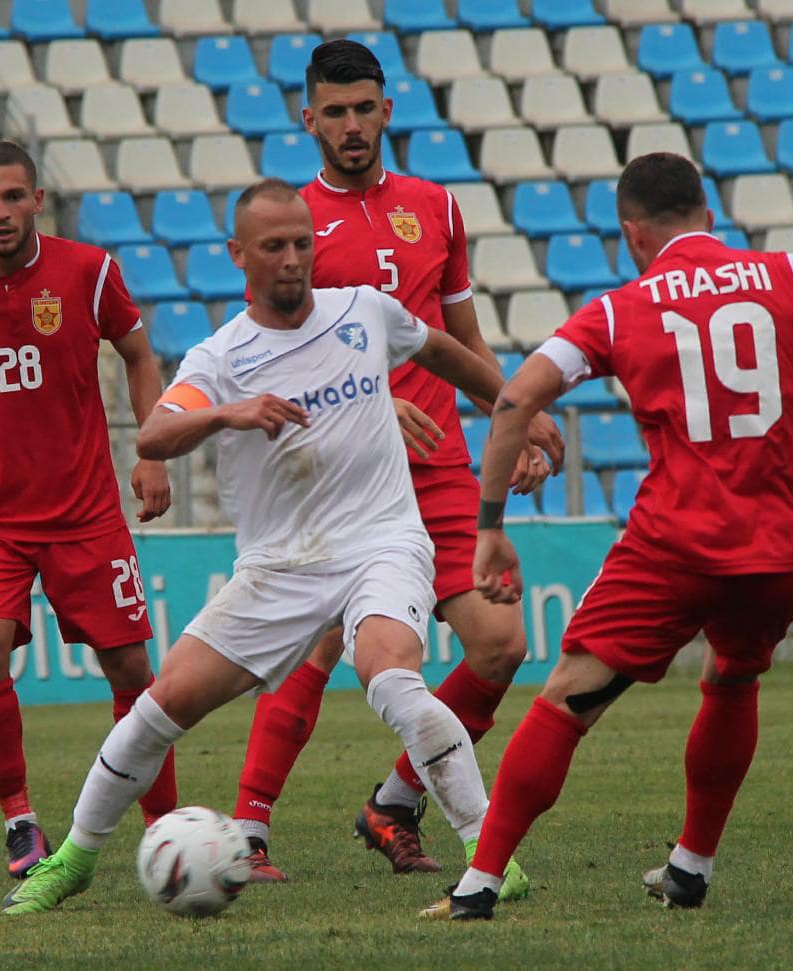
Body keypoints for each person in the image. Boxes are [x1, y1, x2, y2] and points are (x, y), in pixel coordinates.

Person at [421, 152, 793, 920]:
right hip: (779, 546)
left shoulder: (618, 308)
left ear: (633, 232)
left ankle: (479, 883)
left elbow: (515, 400)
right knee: (733, 677)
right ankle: (690, 866)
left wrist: (491, 527)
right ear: (709, 212)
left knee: (567, 698)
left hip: (675, 546)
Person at [0, 178, 533, 916]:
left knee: (389, 675)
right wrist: (229, 413)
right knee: (157, 710)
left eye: (303, 243)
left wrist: (518, 412)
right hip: (280, 567)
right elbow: (154, 432)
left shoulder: (363, 311)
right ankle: (74, 860)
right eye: (274, 246)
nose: (292, 259)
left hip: (381, 542)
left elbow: (444, 350)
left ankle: (488, 852)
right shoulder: (223, 355)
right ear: (237, 255)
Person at [230, 38, 562, 894]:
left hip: (443, 466)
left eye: (363, 108)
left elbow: (461, 339)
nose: (350, 125)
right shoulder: (291, 223)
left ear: (388, 109)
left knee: (499, 645)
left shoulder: (436, 208)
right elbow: (275, 355)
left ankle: (394, 800)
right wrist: (373, 401)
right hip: (346, 471)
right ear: (308, 119)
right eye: (333, 111)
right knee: (312, 647)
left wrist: (514, 419)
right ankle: (248, 831)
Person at [0, 140, 178, 879]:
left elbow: (139, 353)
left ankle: (163, 830)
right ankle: (19, 818)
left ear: (36, 199)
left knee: (129, 664)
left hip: (85, 511)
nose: (1, 212)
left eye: (13, 196)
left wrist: (150, 450)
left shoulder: (88, 273)